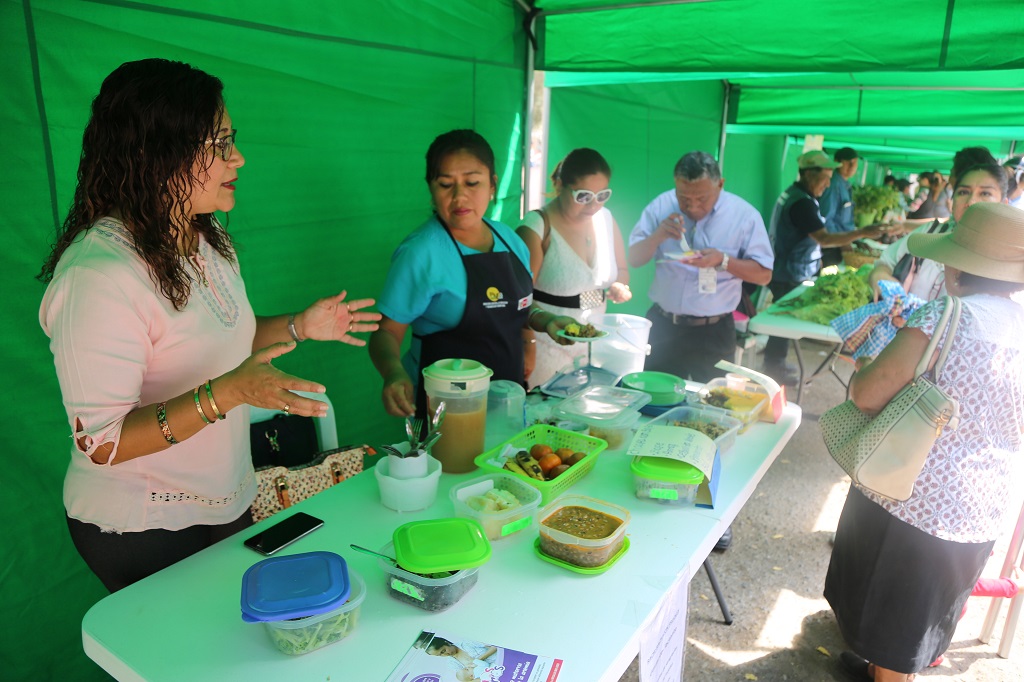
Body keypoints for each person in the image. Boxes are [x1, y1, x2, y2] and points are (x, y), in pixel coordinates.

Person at [37, 59, 381, 593]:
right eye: (219, 143)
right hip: (142, 523)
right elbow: (101, 442)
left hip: (224, 497)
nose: (237, 157)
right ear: (160, 153)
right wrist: (225, 394)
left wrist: (299, 325)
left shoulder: (203, 237)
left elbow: (225, 339)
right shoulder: (97, 276)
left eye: (230, 139)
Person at [826, 201, 1024, 682]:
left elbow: (869, 395)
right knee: (914, 623)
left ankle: (886, 674)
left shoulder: (946, 314)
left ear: (957, 264)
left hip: (908, 490)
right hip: (982, 506)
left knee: (891, 616)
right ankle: (881, 670)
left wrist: (866, 370)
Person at [369, 129, 575, 424]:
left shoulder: (509, 239)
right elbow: (386, 333)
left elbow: (517, 306)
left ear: (492, 184)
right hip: (445, 409)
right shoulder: (421, 252)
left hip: (507, 397)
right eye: (445, 184)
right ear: (430, 187)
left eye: (472, 182)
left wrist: (547, 321)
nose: (459, 196)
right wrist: (393, 373)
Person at [628, 151, 774, 383]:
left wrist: (724, 261)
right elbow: (634, 258)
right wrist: (657, 236)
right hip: (664, 325)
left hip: (713, 331)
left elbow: (764, 275)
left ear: (721, 184)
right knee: (653, 400)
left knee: (712, 406)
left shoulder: (744, 216)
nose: (693, 207)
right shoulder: (661, 206)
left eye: (702, 199)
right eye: (684, 198)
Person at [762, 150, 881, 384]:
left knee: (783, 322)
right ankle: (773, 370)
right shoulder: (802, 204)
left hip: (790, 266)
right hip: (790, 270)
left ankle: (774, 365)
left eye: (830, 178)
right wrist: (862, 233)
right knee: (783, 324)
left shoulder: (797, 195)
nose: (828, 185)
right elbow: (824, 239)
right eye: (824, 178)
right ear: (807, 174)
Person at [516, 148, 631, 389]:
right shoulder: (537, 227)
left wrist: (620, 286)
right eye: (583, 196)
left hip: (596, 344)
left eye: (602, 195)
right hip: (547, 346)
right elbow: (519, 299)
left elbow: (621, 270)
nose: (594, 205)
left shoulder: (606, 219)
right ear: (559, 186)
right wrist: (528, 347)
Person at [869, 163, 1009, 302]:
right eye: (963, 192)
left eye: (985, 193)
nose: (971, 202)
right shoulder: (930, 233)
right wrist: (881, 277)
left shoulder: (1007, 265)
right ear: (952, 202)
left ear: (1004, 205)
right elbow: (885, 262)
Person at [818, 147, 860, 267]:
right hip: (831, 246)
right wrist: (842, 242)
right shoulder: (833, 184)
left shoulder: (846, 184)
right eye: (848, 163)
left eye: (855, 163)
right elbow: (826, 219)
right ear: (837, 161)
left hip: (842, 243)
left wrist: (856, 239)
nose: (852, 167)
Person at [425, 636, 500, 682]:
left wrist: (480, 659)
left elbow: (495, 646)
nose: (445, 654)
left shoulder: (467, 642)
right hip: (493, 677)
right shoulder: (452, 664)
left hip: (502, 660)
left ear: (446, 642)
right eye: (440, 655)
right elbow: (468, 679)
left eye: (443, 650)